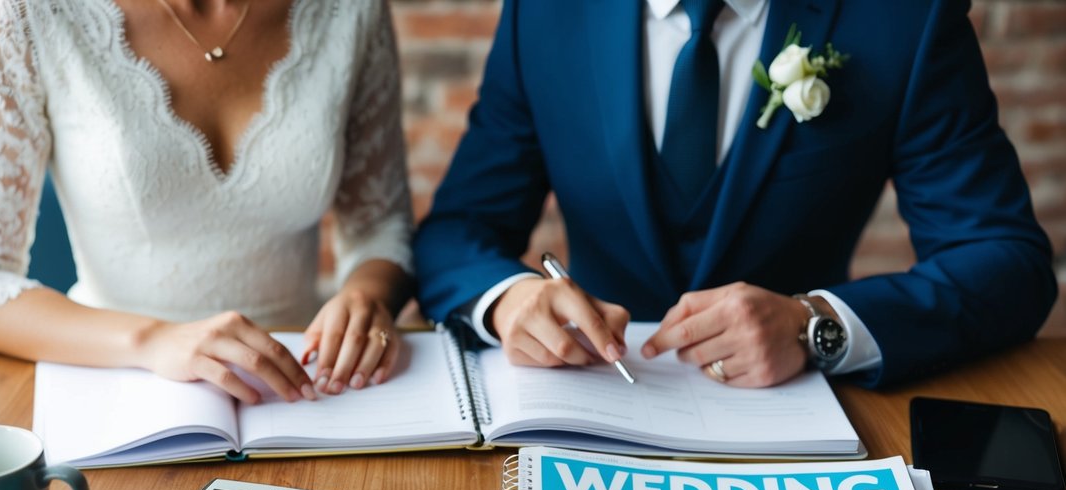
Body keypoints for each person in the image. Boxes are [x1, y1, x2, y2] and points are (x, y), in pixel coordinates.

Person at [412, 0, 1057, 388]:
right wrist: (509, 299)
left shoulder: (904, 17)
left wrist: (816, 325)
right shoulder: (544, 13)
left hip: (803, 426)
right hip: (589, 408)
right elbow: (458, 229)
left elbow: (1007, 263)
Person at [0, 0, 414, 404]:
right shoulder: (28, 14)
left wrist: (368, 293)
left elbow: (380, 222)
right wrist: (151, 340)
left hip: (305, 385)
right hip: (114, 382)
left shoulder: (351, 10)